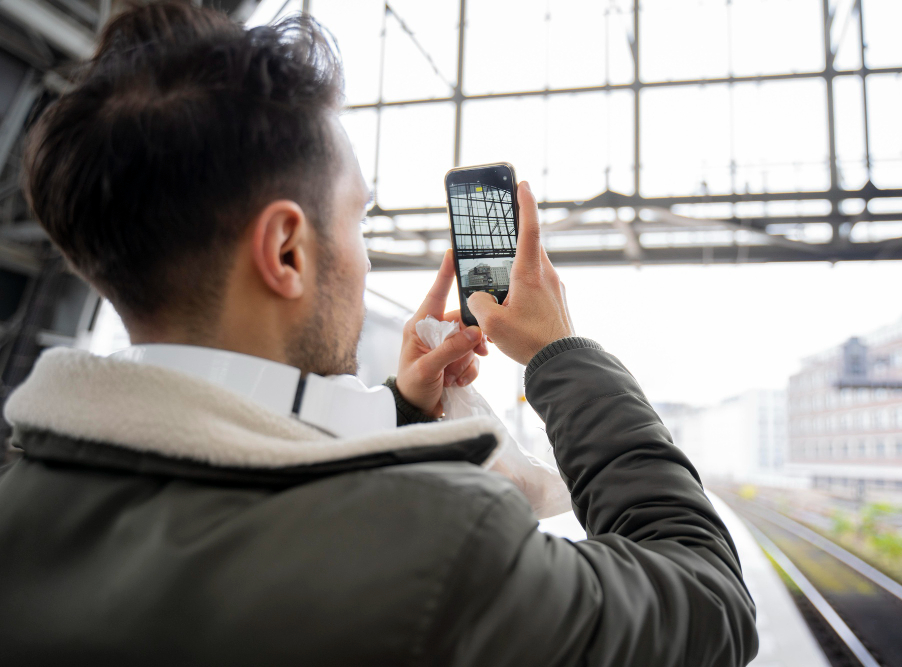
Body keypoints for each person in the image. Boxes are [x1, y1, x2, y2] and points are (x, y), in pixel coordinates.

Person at [0, 2, 758, 665]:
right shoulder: (436, 546)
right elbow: (709, 602)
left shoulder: (21, 507)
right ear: (287, 251)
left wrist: (396, 412)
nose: (361, 256)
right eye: (357, 219)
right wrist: (562, 355)